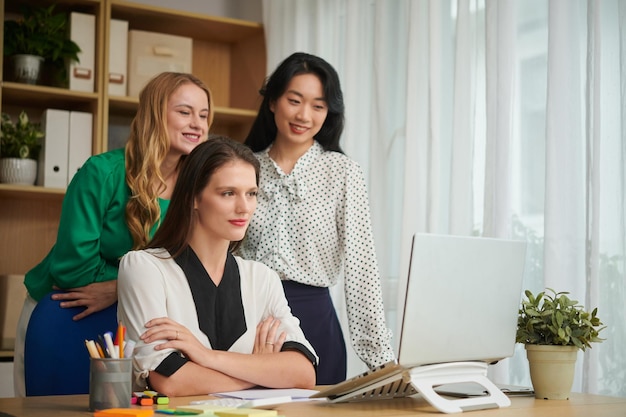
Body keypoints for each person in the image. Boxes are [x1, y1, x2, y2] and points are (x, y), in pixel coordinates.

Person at [13, 72, 213, 397]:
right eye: (184, 111)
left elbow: (192, 267)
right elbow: (72, 269)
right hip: (67, 314)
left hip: (136, 321)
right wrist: (134, 283)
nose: (197, 124)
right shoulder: (101, 173)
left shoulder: (198, 188)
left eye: (204, 115)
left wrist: (118, 287)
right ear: (155, 113)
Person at [237, 52, 395, 384]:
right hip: (247, 318)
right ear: (272, 101)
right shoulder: (242, 167)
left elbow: (361, 266)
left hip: (314, 319)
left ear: (329, 112)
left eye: (318, 106)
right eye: (294, 100)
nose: (304, 115)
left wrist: (382, 365)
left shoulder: (342, 172)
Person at [117, 136, 317, 395]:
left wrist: (206, 357)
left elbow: (303, 373)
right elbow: (170, 381)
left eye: (252, 194)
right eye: (228, 193)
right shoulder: (144, 268)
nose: (244, 208)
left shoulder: (262, 278)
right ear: (193, 198)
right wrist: (261, 371)